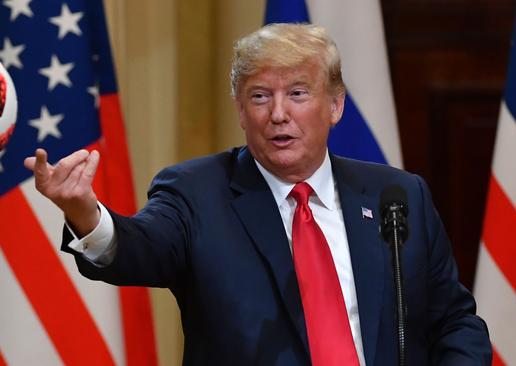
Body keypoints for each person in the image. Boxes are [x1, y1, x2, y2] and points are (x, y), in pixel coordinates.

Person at [25, 23, 491, 365]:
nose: (279, 114)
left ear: (335, 105)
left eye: (298, 93)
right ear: (241, 111)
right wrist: (86, 214)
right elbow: (139, 249)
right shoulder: (195, 192)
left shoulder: (397, 195)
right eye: (261, 96)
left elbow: (454, 322)